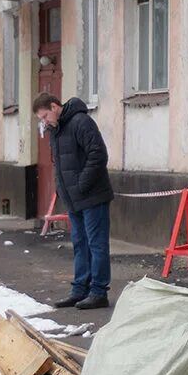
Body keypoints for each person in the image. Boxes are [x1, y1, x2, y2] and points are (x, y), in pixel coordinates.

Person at [32, 93, 114, 310]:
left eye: (45, 116)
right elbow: (60, 164)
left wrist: (80, 185)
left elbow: (98, 155)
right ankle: (79, 290)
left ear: (54, 106)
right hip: (74, 199)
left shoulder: (81, 122)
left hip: (92, 195)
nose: (44, 121)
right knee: (79, 244)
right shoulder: (55, 131)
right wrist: (63, 189)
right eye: (41, 119)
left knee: (96, 245)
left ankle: (98, 292)